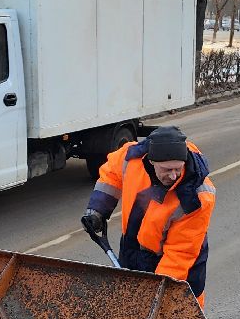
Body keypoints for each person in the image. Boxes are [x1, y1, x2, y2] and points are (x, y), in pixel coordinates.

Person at [82, 125, 216, 304]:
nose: (174, 175)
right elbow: (111, 174)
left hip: (178, 264)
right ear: (151, 162)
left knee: (175, 316)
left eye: (178, 168)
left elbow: (179, 255)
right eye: (167, 170)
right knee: (130, 308)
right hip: (133, 249)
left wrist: (158, 294)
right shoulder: (132, 158)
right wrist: (97, 209)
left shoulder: (196, 198)